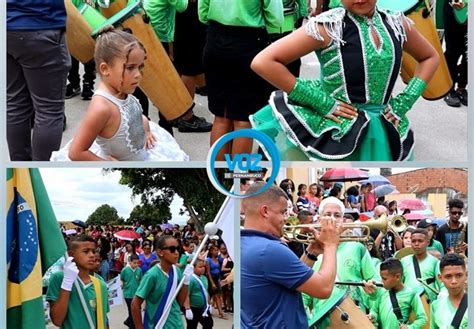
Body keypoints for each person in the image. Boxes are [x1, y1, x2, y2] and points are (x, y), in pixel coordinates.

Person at [250, 0, 439, 161]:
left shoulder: (397, 23)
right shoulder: (327, 27)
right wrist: (320, 101)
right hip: (336, 129)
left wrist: (405, 102)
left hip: (384, 125)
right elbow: (263, 62)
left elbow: (430, 57)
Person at [50, 27, 189, 161]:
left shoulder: (122, 91)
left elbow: (134, 116)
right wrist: (105, 164)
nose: (138, 75)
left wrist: (146, 131)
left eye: (140, 67)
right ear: (105, 69)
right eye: (130, 68)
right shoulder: (101, 108)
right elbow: (76, 152)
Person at [241, 182, 340, 328]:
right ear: (265, 211)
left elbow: (290, 280)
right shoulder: (269, 249)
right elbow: (324, 289)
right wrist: (331, 245)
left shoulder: (245, 242)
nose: (286, 218)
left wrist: (312, 252)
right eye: (282, 212)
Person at [199, 0, 283, 160]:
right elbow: (276, 18)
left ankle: (218, 176)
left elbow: (202, 13)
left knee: (221, 117)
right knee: (243, 119)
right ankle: (237, 176)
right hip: (248, 43)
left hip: (215, 39)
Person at [7, 0, 71, 160]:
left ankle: (20, 166)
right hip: (41, 23)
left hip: (7, 26)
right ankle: (40, 168)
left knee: (15, 104)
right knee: (49, 110)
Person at [303, 197, 380, 325]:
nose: (332, 219)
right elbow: (304, 296)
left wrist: (372, 290)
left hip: (355, 316)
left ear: (343, 220)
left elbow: (376, 284)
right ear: (319, 218)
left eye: (337, 215)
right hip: (323, 320)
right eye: (327, 215)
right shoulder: (312, 251)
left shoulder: (357, 248)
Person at [145, 0, 212, 133]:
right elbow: (183, 6)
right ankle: (185, 117)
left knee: (182, 67)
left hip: (162, 25)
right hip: (166, 27)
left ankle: (179, 114)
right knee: (189, 67)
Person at [46, 235, 109, 329]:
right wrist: (67, 283)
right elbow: (57, 320)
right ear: (71, 255)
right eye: (86, 251)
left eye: (93, 251)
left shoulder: (101, 284)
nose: (92, 255)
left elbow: (104, 320)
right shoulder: (59, 278)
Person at [131, 236, 194, 329]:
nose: (176, 253)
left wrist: (186, 282)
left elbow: (180, 302)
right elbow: (135, 304)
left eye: (178, 249)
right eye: (172, 249)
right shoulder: (152, 275)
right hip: (158, 324)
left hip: (176, 324)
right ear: (160, 252)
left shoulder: (177, 271)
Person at [366, 258, 427, 328]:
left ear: (397, 277)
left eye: (385, 279)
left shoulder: (411, 293)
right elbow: (374, 310)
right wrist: (372, 316)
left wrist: (409, 327)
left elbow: (422, 318)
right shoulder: (382, 291)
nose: (382, 281)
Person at [400, 228, 441, 303]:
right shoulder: (403, 261)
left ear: (427, 242)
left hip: (428, 302)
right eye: (413, 241)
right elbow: (400, 283)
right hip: (409, 302)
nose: (416, 244)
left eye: (420, 241)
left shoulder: (435, 262)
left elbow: (441, 285)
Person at [430, 254, 468, 328]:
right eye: (448, 276)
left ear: (466, 275)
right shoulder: (436, 306)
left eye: (459, 275)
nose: (454, 281)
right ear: (440, 278)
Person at [442, 0, 468, 107]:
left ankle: (462, 88)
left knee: (469, 55)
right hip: (453, 10)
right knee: (452, 52)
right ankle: (448, 88)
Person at [184, 259, 214, 329]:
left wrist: (209, 304)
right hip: (193, 307)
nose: (203, 268)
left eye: (204, 266)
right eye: (200, 267)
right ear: (193, 268)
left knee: (209, 324)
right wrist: (187, 309)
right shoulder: (191, 279)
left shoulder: (204, 278)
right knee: (192, 326)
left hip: (203, 308)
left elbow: (206, 291)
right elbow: (186, 295)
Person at [121, 254, 143, 329]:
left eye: (137, 263)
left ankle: (128, 321)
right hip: (127, 294)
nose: (136, 264)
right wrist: (122, 284)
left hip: (136, 294)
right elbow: (122, 279)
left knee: (136, 310)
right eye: (134, 263)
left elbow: (141, 280)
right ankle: (132, 326)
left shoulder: (139, 270)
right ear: (130, 262)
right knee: (131, 311)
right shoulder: (125, 270)